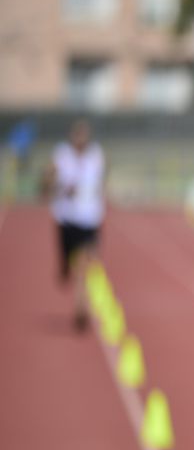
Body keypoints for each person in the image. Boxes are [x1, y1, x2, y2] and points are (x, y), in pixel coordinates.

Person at [41, 119, 107, 332]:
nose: (81, 140)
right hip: (67, 219)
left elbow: (101, 181)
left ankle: (81, 310)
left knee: (84, 264)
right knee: (68, 269)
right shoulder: (62, 155)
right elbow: (46, 182)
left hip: (90, 219)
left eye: (84, 135)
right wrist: (58, 186)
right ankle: (64, 267)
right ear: (72, 137)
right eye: (77, 135)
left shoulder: (96, 155)